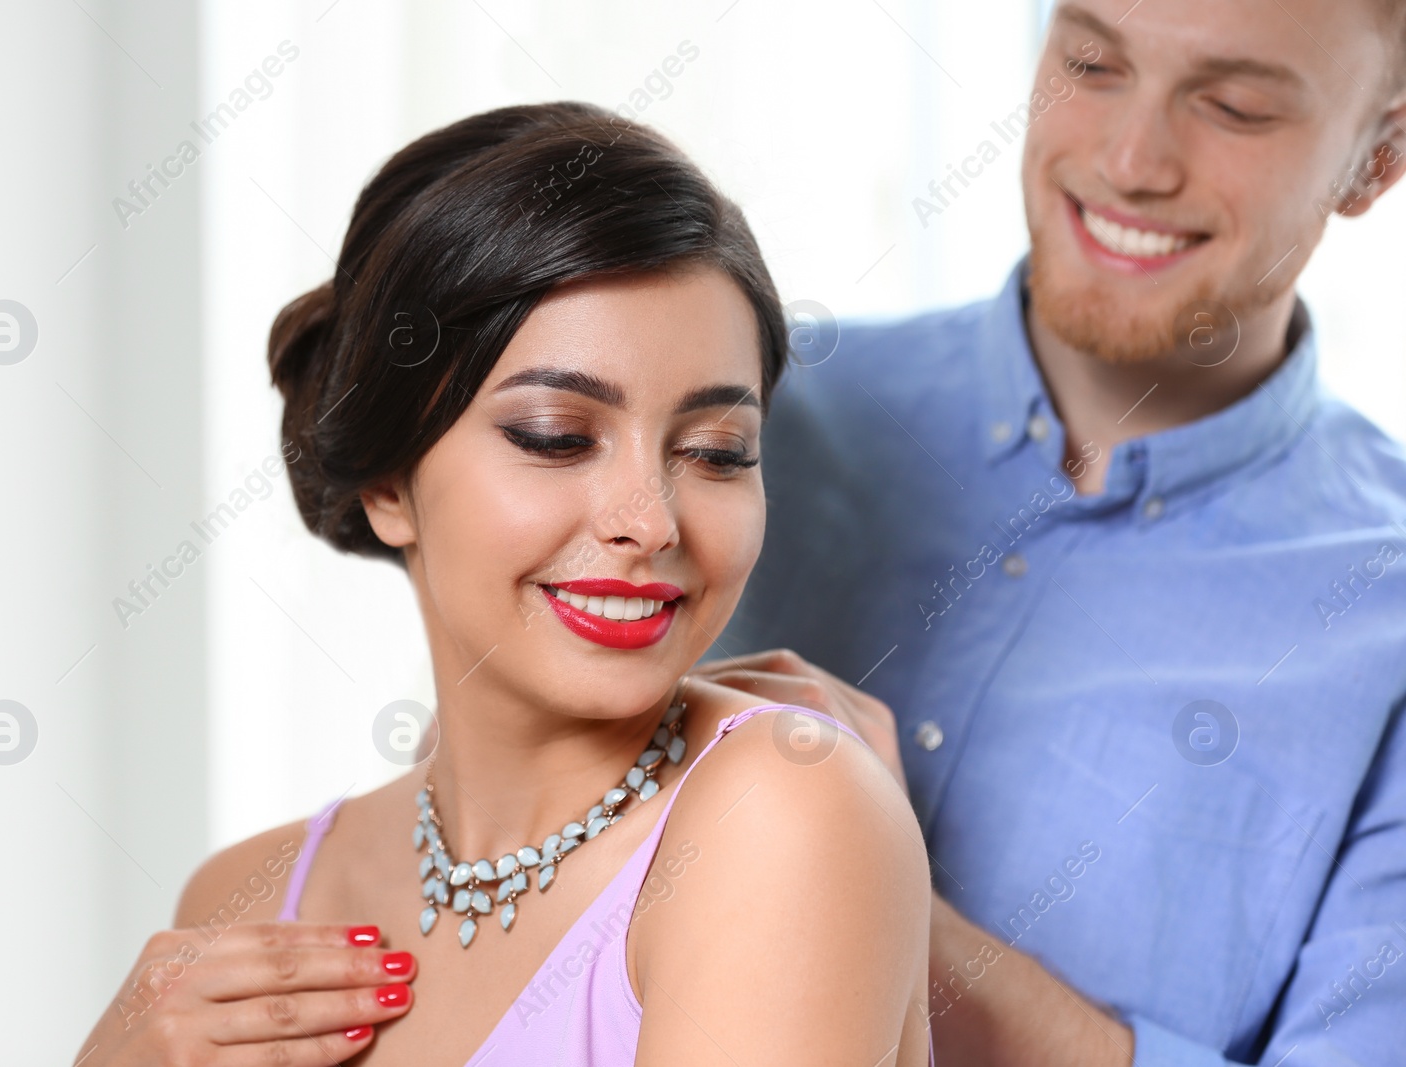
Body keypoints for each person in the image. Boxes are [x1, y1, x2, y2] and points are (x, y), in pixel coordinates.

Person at [73, 102, 932, 1066]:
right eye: (556, 437)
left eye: (716, 451)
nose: (648, 521)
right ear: (389, 483)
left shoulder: (782, 811)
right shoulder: (245, 906)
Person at [702, 1, 1406, 1064]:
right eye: (1091, 61)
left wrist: (857, 893)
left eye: (1232, 106)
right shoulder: (736, 422)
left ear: (1376, 157)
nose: (1129, 161)